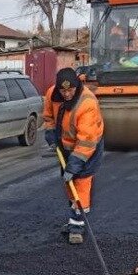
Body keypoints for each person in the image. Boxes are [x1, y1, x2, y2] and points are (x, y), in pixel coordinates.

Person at [43, 68, 105, 244]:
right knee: (69, 182)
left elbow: (86, 141)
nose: (67, 94)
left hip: (89, 146)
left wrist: (74, 165)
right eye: (63, 91)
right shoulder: (52, 94)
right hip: (66, 145)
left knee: (80, 183)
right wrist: (50, 134)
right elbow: (49, 117)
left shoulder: (87, 104)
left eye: (70, 90)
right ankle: (74, 217)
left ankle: (77, 226)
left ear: (77, 86)